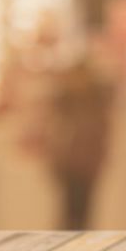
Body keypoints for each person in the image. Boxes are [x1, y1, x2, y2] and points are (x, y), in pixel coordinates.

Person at [47, 53, 115, 230]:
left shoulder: (97, 102)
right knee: (69, 209)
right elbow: (55, 132)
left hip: (87, 164)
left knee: (84, 210)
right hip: (70, 163)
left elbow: (103, 133)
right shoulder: (64, 102)